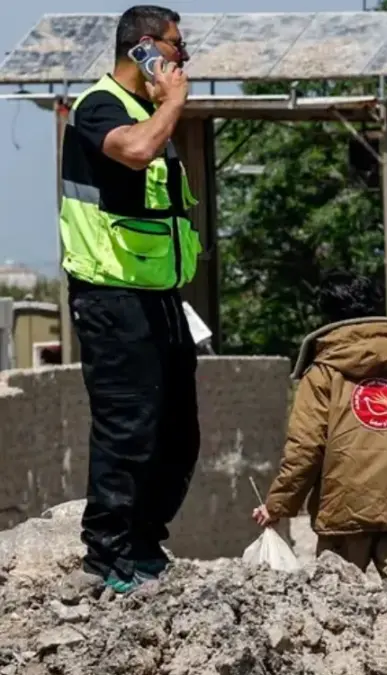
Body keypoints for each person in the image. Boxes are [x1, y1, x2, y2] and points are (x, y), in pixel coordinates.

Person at [60, 5, 200, 593]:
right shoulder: (101, 107)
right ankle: (106, 553)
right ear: (145, 48)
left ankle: (145, 542)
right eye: (176, 47)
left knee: (178, 431)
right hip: (111, 295)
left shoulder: (149, 113)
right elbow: (134, 151)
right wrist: (172, 101)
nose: (182, 60)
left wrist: (163, 106)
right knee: (127, 427)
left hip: (159, 297)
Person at [252, 271, 387, 579]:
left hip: (341, 517)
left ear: (328, 314)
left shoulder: (320, 375)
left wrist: (278, 504)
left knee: (337, 610)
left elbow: (306, 449)